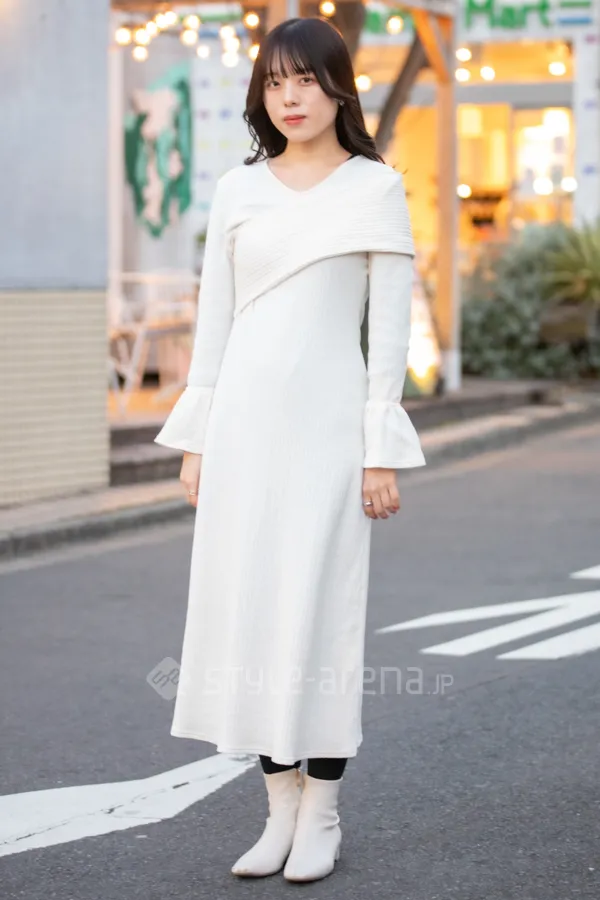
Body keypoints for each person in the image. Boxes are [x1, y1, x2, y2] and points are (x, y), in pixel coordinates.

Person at [154, 15, 426, 883]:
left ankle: (324, 814)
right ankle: (278, 809)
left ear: (338, 86)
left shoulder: (376, 188)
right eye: (274, 82)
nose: (290, 97)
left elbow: (389, 332)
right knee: (251, 614)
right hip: (242, 431)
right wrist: (197, 440)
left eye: (305, 79)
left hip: (329, 432)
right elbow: (214, 322)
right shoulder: (239, 191)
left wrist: (378, 448)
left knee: (320, 613)